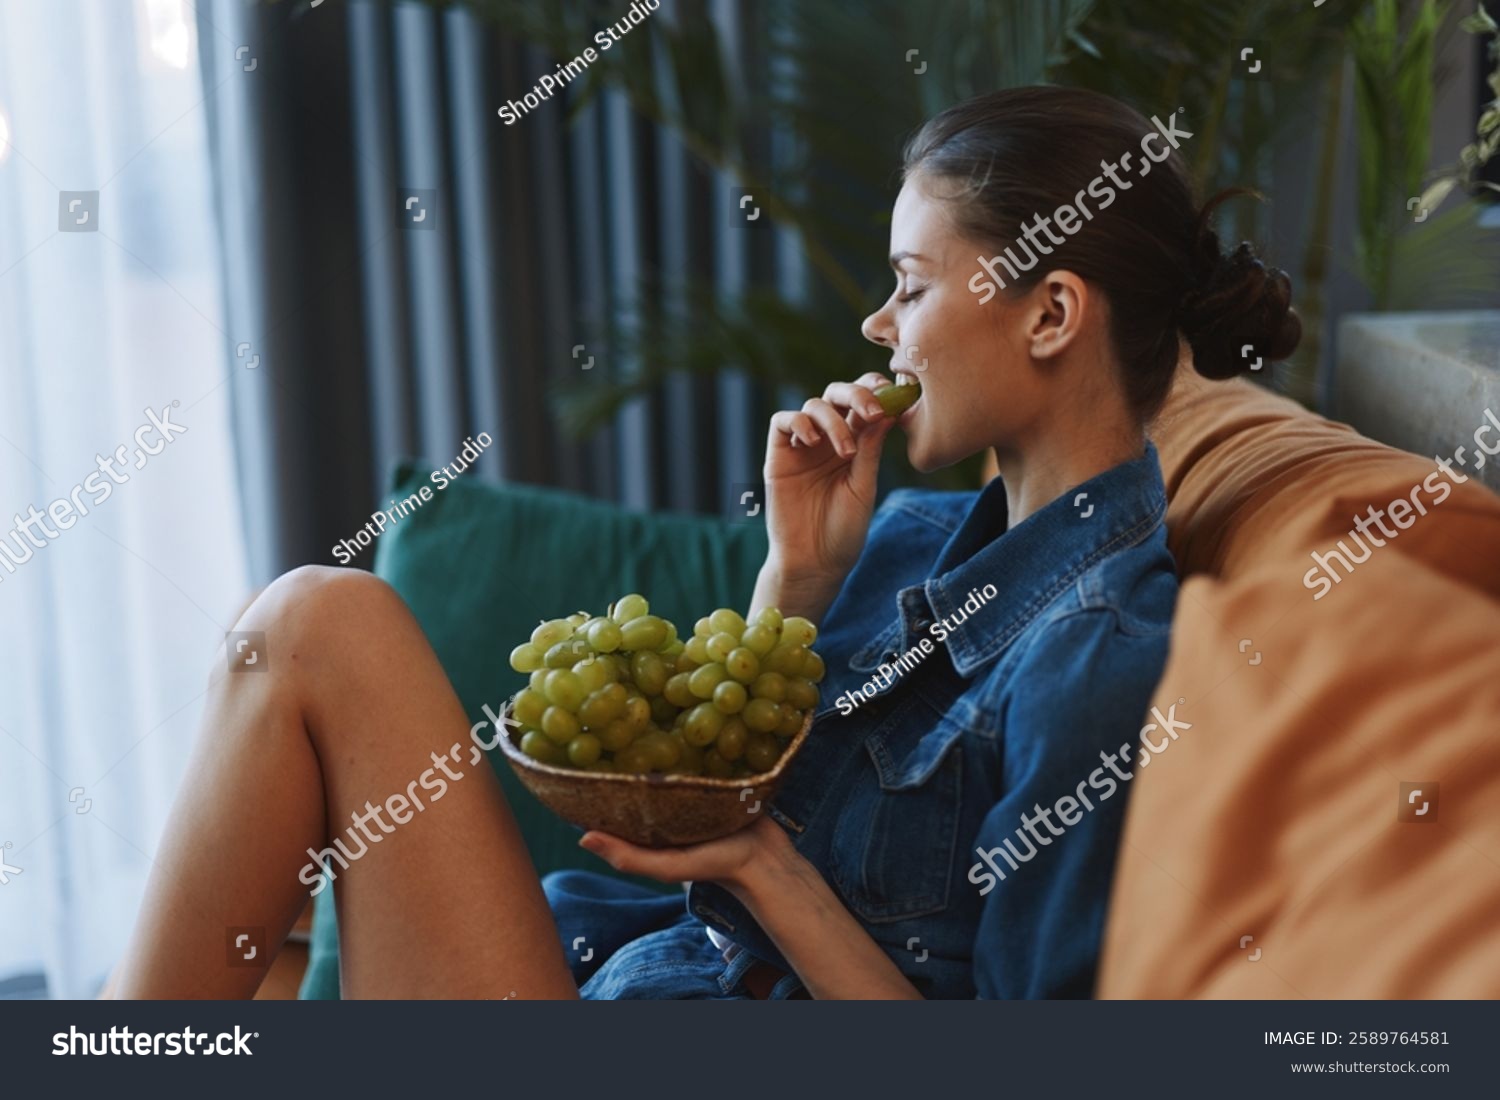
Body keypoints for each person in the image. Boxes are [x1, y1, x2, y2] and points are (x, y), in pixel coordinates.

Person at [112, 86, 1298, 1000]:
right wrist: (796, 576)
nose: (878, 325)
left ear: (1051, 313)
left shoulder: (1104, 658)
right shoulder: (915, 537)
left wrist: (759, 866)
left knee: (322, 623)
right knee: (299, 646)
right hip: (619, 972)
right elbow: (717, 773)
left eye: (912, 285)